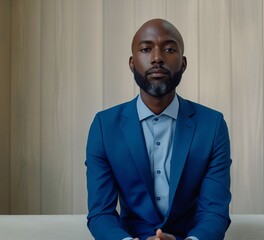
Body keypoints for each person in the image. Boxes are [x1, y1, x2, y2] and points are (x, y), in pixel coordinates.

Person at [85, 18, 232, 240]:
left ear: (183, 63)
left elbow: (214, 212)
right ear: (132, 63)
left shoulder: (212, 125)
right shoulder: (104, 127)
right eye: (146, 49)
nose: (157, 58)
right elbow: (100, 213)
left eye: (169, 49)